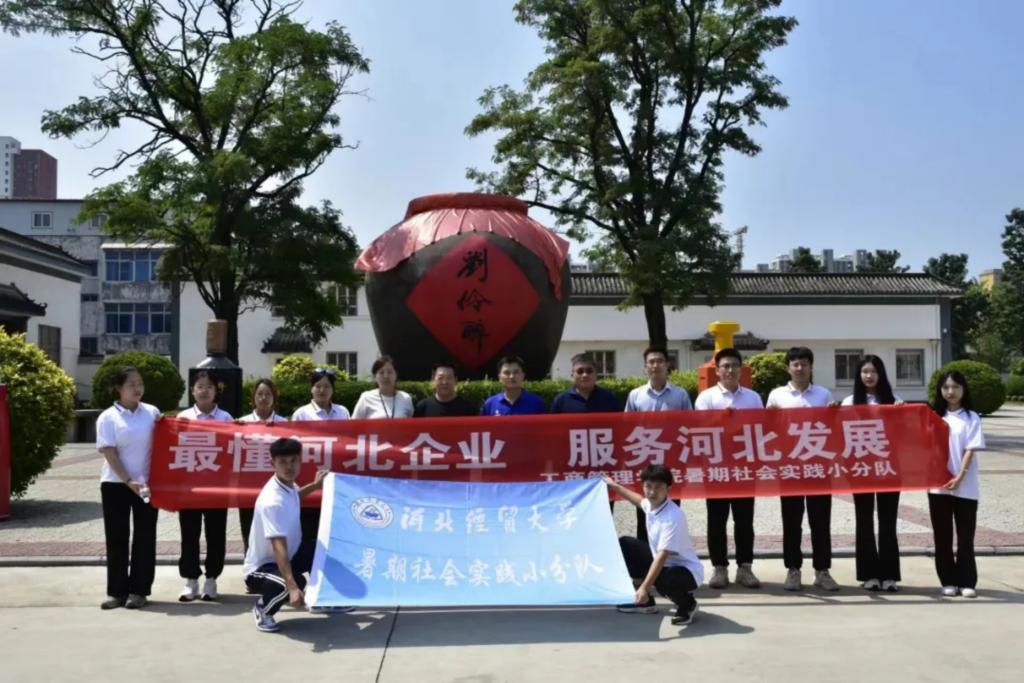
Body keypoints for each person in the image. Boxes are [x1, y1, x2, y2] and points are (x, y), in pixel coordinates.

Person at [766, 346, 840, 592]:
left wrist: (834, 413)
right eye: (795, 364)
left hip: (818, 467)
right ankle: (793, 569)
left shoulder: (823, 394)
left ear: (811, 367)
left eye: (804, 364)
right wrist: (769, 417)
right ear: (788, 368)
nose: (800, 368)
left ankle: (822, 571)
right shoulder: (776, 395)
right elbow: (767, 430)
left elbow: (833, 428)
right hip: (790, 467)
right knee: (791, 521)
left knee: (820, 521)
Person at [694, 348, 764, 589]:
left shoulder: (753, 398)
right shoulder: (706, 398)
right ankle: (719, 568)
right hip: (716, 468)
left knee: (744, 520)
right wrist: (721, 419)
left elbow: (761, 428)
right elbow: (699, 429)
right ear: (717, 370)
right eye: (725, 366)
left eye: (734, 365)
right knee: (717, 520)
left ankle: (745, 567)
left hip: (744, 467)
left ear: (741, 369)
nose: (730, 370)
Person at [243, 438, 327, 633]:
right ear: (272, 463)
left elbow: (294, 496)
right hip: (262, 567)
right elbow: (278, 546)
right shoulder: (272, 501)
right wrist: (292, 586)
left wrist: (315, 486)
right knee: (294, 583)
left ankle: (323, 599)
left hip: (291, 554)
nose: (289, 467)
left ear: (300, 461)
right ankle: (263, 609)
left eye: (293, 461)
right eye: (283, 462)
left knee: (324, 551)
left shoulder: (287, 484)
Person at [604, 465, 704, 627]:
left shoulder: (673, 517)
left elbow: (662, 556)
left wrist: (645, 587)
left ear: (668, 489)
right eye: (648, 486)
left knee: (665, 581)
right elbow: (638, 500)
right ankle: (645, 602)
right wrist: (614, 486)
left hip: (686, 571)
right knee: (626, 545)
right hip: (663, 564)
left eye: (658, 487)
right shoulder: (651, 505)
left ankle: (688, 604)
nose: (652, 492)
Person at [95, 366, 161, 610]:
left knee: (145, 536)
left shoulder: (152, 412)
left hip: (146, 485)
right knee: (117, 537)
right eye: (131, 384)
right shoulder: (108, 417)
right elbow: (109, 453)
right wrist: (128, 480)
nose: (137, 388)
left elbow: (168, 437)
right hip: (115, 484)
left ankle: (139, 591)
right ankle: (116, 592)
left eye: (140, 383)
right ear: (119, 388)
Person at [841, 356, 904, 592]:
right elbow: (839, 432)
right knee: (864, 520)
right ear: (859, 375)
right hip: (861, 469)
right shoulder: (849, 402)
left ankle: (889, 575)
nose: (869, 376)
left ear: (881, 374)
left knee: (888, 521)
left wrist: (902, 413)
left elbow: (905, 433)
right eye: (865, 371)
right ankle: (869, 575)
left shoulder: (894, 400)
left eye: (874, 371)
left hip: (888, 468)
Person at [177, 370, 234, 602]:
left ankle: (211, 579)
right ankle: (191, 580)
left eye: (209, 387)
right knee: (189, 534)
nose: (204, 391)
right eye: (200, 386)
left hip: (216, 488)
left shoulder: (226, 418)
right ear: (192, 391)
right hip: (189, 489)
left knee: (216, 534)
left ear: (215, 392)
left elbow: (233, 449)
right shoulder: (183, 418)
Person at [624, 346, 691, 542]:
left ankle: (669, 552)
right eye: (651, 362)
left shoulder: (680, 395)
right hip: (644, 461)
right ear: (645, 367)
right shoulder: (635, 395)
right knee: (644, 510)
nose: (655, 365)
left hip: (672, 463)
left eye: (660, 361)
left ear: (667, 365)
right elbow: (626, 428)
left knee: (672, 510)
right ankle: (646, 555)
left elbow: (690, 426)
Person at [928, 370, 985, 598]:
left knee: (965, 537)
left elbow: (971, 449)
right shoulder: (933, 416)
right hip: (938, 486)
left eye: (955, 387)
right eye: (946, 387)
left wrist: (960, 476)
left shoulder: (972, 417)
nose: (950, 391)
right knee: (942, 537)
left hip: (966, 486)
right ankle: (948, 580)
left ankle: (967, 581)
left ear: (963, 389)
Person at [291, 368, 350, 543]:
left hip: (337, 476)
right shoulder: (302, 414)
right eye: (318, 386)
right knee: (310, 529)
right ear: (311, 389)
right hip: (310, 478)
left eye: (326, 386)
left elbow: (349, 441)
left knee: (334, 527)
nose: (322, 390)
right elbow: (294, 445)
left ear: (333, 389)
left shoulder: (343, 412)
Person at [238, 379, 288, 556]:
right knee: (249, 532)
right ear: (253, 397)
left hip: (276, 488)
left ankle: (276, 566)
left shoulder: (284, 423)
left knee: (276, 530)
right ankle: (251, 567)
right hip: (248, 489)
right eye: (260, 394)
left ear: (274, 398)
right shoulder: (242, 423)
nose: (264, 398)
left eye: (268, 394)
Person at [551, 353, 621, 413]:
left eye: (589, 371)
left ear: (596, 374)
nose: (585, 375)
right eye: (580, 371)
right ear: (572, 375)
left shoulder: (609, 398)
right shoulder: (560, 401)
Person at [481, 355, 546, 415]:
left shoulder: (536, 403)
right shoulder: (490, 404)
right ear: (499, 377)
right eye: (507, 373)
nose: (511, 376)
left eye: (516, 372)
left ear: (523, 375)